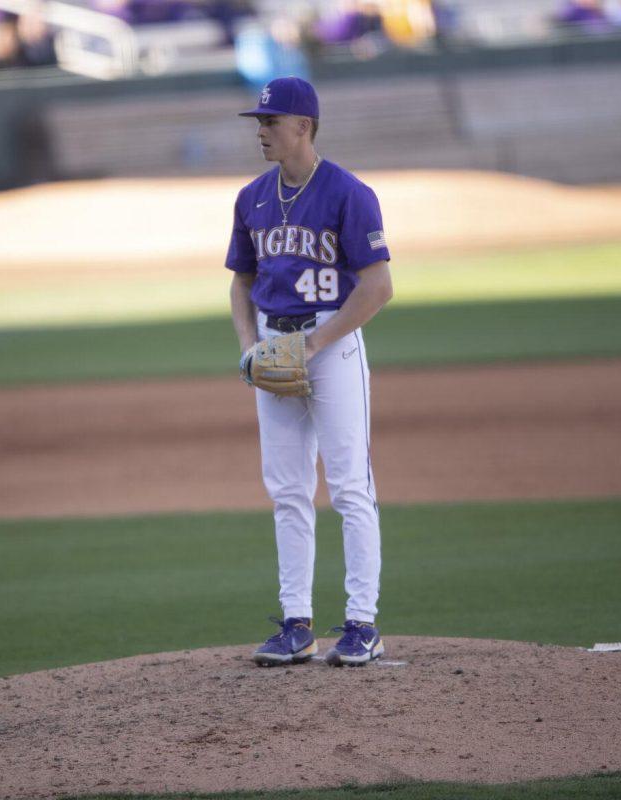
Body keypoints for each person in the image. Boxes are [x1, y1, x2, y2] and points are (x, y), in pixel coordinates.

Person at [226, 76, 393, 667]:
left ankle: (362, 623)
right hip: (274, 345)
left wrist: (316, 344)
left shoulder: (349, 194)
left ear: (304, 126)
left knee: (350, 486)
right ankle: (296, 623)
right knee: (288, 490)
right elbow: (241, 283)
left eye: (270, 122)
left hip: (334, 346)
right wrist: (251, 348)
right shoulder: (252, 198)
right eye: (258, 123)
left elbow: (378, 287)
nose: (261, 132)